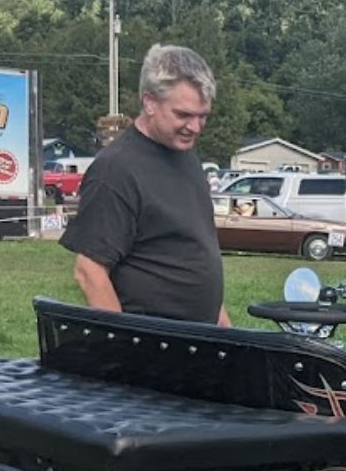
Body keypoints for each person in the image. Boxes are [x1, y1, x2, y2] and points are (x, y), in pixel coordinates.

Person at [60, 44, 228, 326]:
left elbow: (196, 256)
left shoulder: (187, 158)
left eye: (203, 116)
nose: (195, 127)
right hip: (150, 351)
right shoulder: (116, 169)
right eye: (183, 115)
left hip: (200, 345)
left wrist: (228, 338)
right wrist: (126, 348)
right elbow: (89, 272)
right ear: (149, 102)